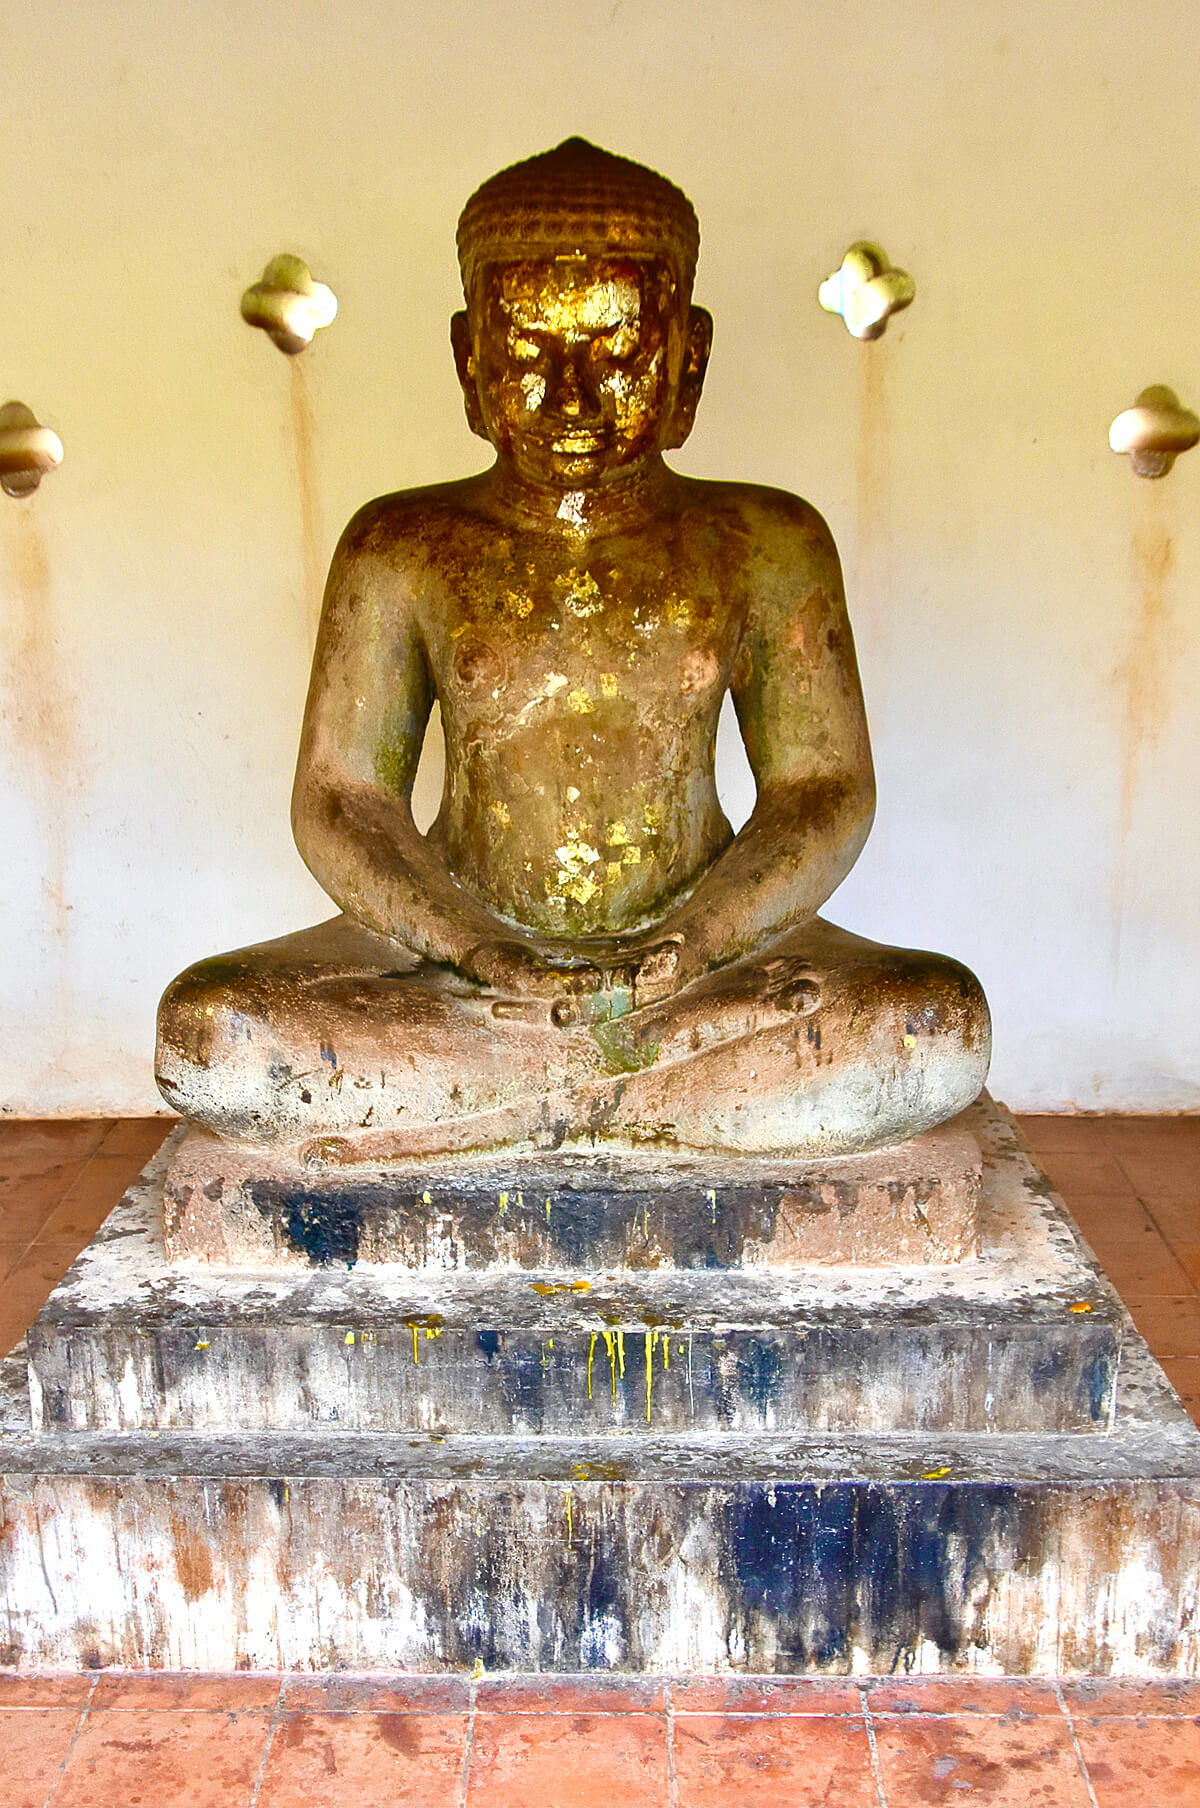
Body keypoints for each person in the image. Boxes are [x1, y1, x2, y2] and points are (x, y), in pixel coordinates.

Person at [156, 139, 989, 1163]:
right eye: (529, 353)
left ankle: (514, 1106)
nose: (574, 394)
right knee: (214, 1032)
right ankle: (635, 1092)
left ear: (689, 356)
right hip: (460, 972)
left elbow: (822, 787)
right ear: (471, 360)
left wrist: (694, 942)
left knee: (932, 1021)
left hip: (703, 968)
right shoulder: (400, 546)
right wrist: (475, 948)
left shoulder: (769, 540)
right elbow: (343, 799)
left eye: (619, 350)